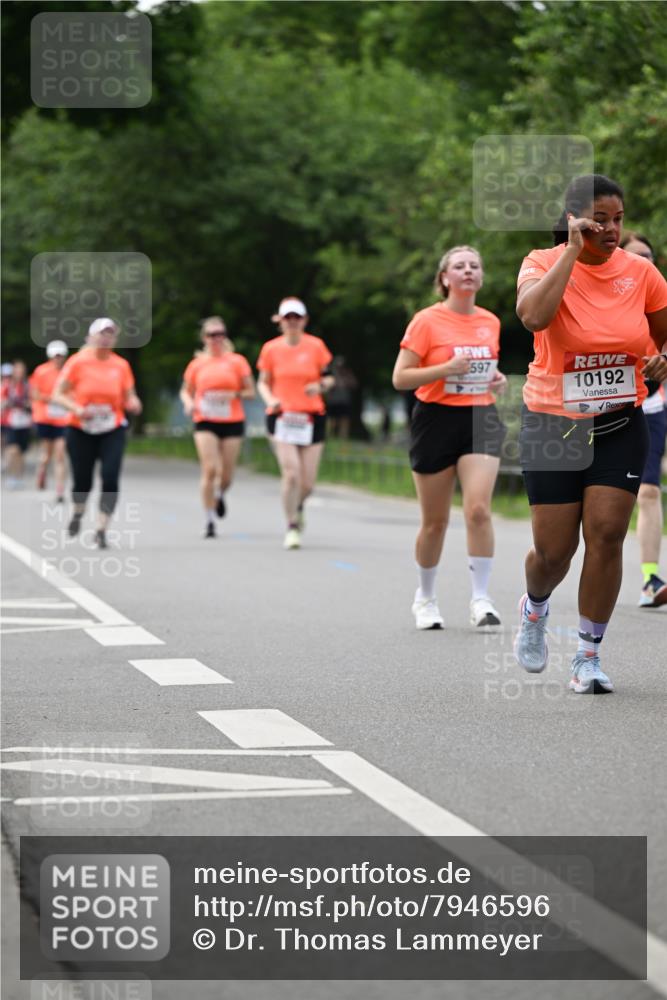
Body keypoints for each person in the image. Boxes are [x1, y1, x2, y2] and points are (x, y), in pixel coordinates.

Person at [514, 174, 667, 693]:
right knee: (553, 553)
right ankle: (534, 608)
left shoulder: (641, 274)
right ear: (576, 218)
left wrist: (662, 360)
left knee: (605, 534)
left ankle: (587, 655)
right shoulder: (540, 262)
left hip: (620, 419)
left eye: (619, 219)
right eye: (600, 219)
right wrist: (570, 254)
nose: (612, 229)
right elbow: (534, 316)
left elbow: (665, 337)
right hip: (553, 423)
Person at [392, 246, 508, 630]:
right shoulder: (426, 321)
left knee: (478, 510)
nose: (468, 271)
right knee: (435, 522)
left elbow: (485, 368)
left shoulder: (490, 321)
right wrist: (444, 368)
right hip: (436, 419)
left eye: (475, 265)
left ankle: (481, 598)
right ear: (445, 278)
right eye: (459, 266)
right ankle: (425, 598)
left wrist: (496, 378)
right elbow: (401, 377)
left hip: (480, 416)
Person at [51, 318, 142, 549]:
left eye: (110, 334)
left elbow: (129, 394)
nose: (105, 338)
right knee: (83, 480)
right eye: (101, 333)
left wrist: (133, 402)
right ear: (91, 337)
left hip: (112, 427)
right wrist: (79, 409)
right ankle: (79, 512)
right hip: (81, 428)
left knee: (110, 476)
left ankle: (101, 529)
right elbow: (58, 395)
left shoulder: (120, 365)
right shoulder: (77, 363)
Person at [257, 297, 335, 549]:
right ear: (280, 321)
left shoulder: (316, 346)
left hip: (311, 417)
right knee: (291, 473)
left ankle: (298, 505)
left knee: (307, 482)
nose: (292, 322)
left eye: (296, 318)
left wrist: (320, 385)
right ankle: (291, 525)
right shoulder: (271, 349)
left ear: (304, 321)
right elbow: (263, 381)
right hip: (282, 416)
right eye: (287, 318)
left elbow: (329, 378)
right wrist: (271, 399)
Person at [619, 232, 667, 608]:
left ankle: (651, 578)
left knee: (649, 491)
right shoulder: (605, 301)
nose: (645, 263)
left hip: (650, 409)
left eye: (649, 257)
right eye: (637, 257)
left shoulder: (659, 303)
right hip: (599, 413)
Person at [180, 316, 255, 538]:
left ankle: (220, 494)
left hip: (231, 420)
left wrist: (235, 394)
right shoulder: (197, 364)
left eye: (221, 334)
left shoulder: (237, 361)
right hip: (205, 419)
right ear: (204, 338)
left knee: (227, 475)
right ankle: (209, 519)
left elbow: (251, 392)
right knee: (210, 469)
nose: (217, 338)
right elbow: (186, 390)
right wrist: (188, 403)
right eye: (212, 335)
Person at [29, 340, 70, 500]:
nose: (58, 359)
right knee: (47, 454)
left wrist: (65, 402)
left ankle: (60, 489)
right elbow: (34, 394)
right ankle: (42, 470)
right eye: (56, 356)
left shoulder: (69, 372)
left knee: (60, 454)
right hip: (45, 417)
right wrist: (52, 399)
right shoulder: (41, 371)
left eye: (61, 356)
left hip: (62, 419)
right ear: (50, 357)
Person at [2, 361, 32, 489]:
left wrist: (27, 405)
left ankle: (18, 476)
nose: (19, 373)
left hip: (24, 422)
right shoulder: (8, 386)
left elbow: (33, 401)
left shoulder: (28, 385)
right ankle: (11, 475)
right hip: (10, 421)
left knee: (21, 451)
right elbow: (2, 400)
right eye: (17, 371)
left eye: (21, 371)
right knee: (13, 449)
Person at [1, 362, 14, 453]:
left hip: (11, 418)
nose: (7, 378)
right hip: (2, 417)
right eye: (5, 376)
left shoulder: (14, 386)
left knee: (9, 441)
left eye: (9, 376)